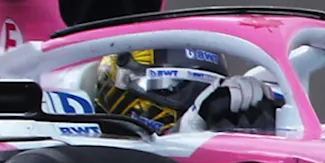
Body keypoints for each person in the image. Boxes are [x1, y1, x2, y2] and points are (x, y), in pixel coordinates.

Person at [86, 45, 289, 134]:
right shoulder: (78, 152)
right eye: (175, 87)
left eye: (204, 90)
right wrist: (186, 128)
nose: (194, 102)